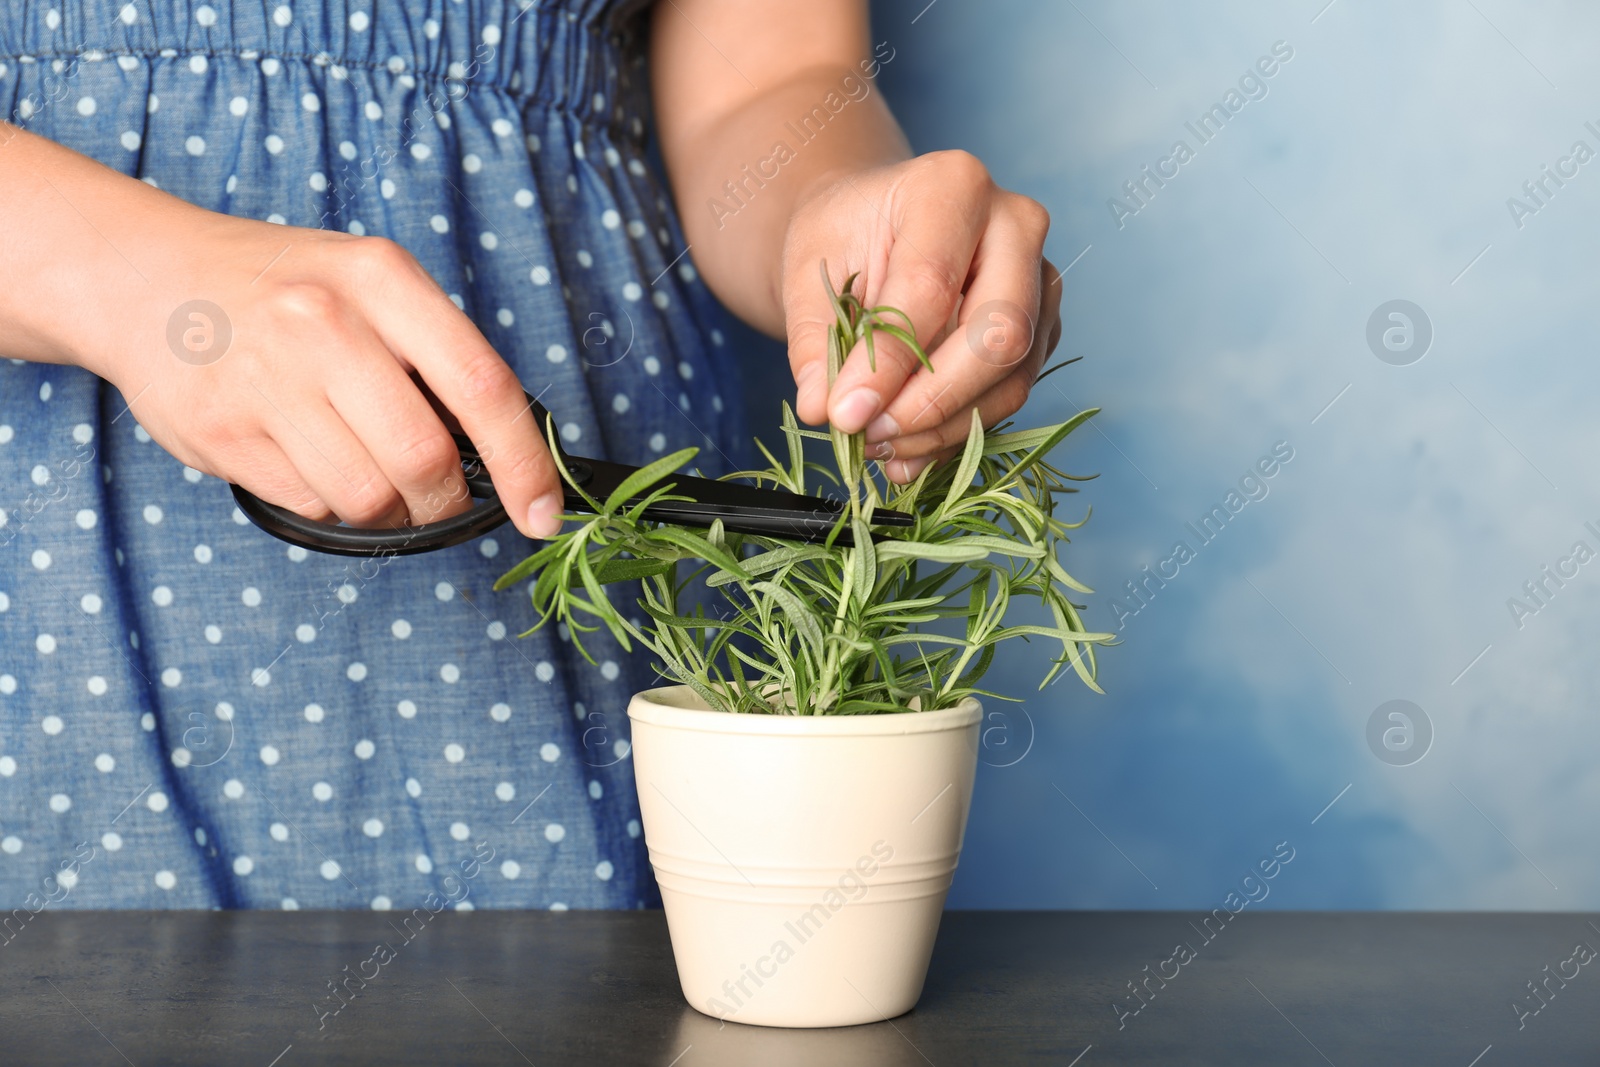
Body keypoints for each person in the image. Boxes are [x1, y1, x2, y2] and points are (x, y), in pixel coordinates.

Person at [0, 0, 1060, 911]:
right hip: (52, 550)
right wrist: (131, 278)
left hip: (588, 530)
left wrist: (845, 225)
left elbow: (773, 74)